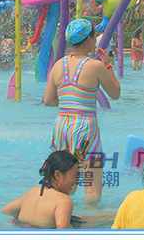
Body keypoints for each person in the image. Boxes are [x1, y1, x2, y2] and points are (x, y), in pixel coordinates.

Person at [43, 19, 121, 204]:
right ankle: (88, 219)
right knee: (92, 191)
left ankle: (57, 213)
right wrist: (108, 65)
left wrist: (69, 102)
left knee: (62, 185)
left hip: (63, 126)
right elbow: (115, 93)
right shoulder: (95, 66)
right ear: (89, 40)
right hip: (86, 127)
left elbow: (48, 101)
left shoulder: (58, 65)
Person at [1, 151, 116, 229]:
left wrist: (24, 222)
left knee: (88, 218)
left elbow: (6, 210)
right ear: (57, 175)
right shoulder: (63, 201)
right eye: (75, 176)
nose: (77, 181)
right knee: (100, 219)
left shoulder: (33, 191)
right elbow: (62, 229)